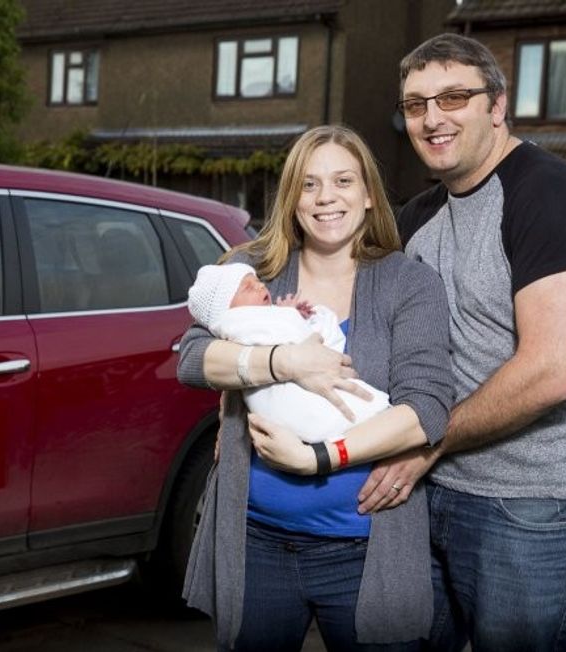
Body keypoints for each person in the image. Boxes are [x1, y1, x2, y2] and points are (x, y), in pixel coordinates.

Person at [359, 33, 566, 651]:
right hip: (435, 487)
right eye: (416, 104)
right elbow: (349, 314)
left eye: (453, 97)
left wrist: (426, 441)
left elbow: (551, 372)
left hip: (536, 506)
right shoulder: (420, 216)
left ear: (498, 105)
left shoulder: (549, 194)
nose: (432, 118)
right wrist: (247, 385)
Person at [178, 124, 455, 651]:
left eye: (343, 181)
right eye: (309, 184)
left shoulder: (409, 283)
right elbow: (192, 359)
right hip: (255, 541)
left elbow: (427, 408)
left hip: (363, 549)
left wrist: (318, 458)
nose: (326, 197)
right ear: (292, 198)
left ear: (369, 194)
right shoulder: (251, 272)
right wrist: (286, 361)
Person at [187, 261, 391, 444]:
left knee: (360, 411)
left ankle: (384, 428)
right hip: (280, 407)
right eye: (248, 287)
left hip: (322, 437)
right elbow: (190, 360)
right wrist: (287, 320)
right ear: (227, 309)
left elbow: (310, 343)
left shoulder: (395, 276)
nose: (260, 285)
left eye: (258, 281)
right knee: (345, 412)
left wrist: (295, 316)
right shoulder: (235, 322)